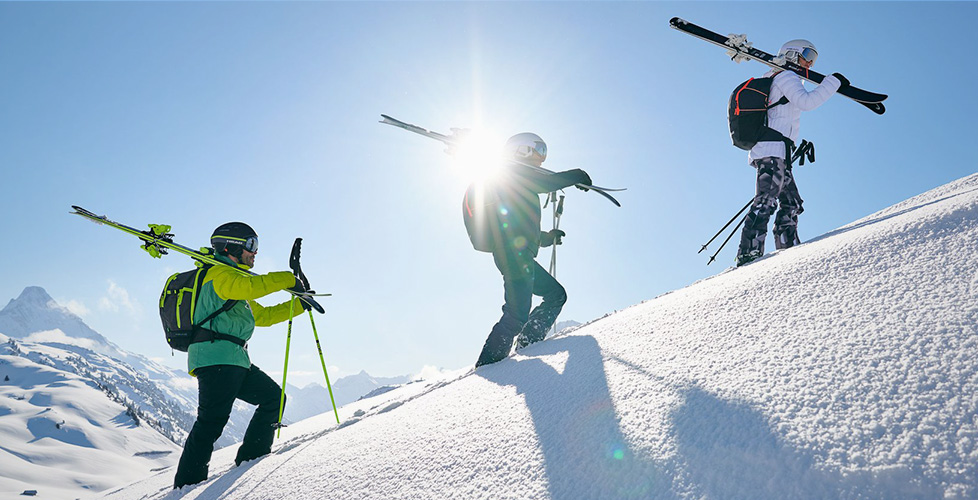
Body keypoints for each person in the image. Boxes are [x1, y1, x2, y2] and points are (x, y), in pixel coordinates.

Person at [173, 222, 310, 489]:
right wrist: (289, 279)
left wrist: (299, 305)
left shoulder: (235, 282)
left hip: (234, 360)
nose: (254, 252)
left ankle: (251, 459)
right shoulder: (220, 276)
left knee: (273, 398)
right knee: (211, 423)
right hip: (216, 360)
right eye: (250, 245)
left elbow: (262, 316)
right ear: (231, 245)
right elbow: (253, 287)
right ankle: (185, 487)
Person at [466, 133, 592, 367]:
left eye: (544, 151)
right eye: (539, 150)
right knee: (516, 314)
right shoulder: (512, 175)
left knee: (556, 295)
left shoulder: (517, 180)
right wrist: (577, 175)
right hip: (512, 256)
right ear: (521, 150)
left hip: (518, 254)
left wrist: (546, 238)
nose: (542, 157)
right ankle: (488, 367)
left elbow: (518, 229)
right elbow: (544, 183)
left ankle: (528, 343)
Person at [735, 39, 849, 267]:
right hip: (771, 151)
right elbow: (807, 102)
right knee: (766, 200)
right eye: (807, 55)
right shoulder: (786, 76)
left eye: (814, 58)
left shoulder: (775, 77)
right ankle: (749, 252)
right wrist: (833, 82)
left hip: (777, 152)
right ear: (792, 54)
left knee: (791, 202)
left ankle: (788, 248)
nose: (810, 62)